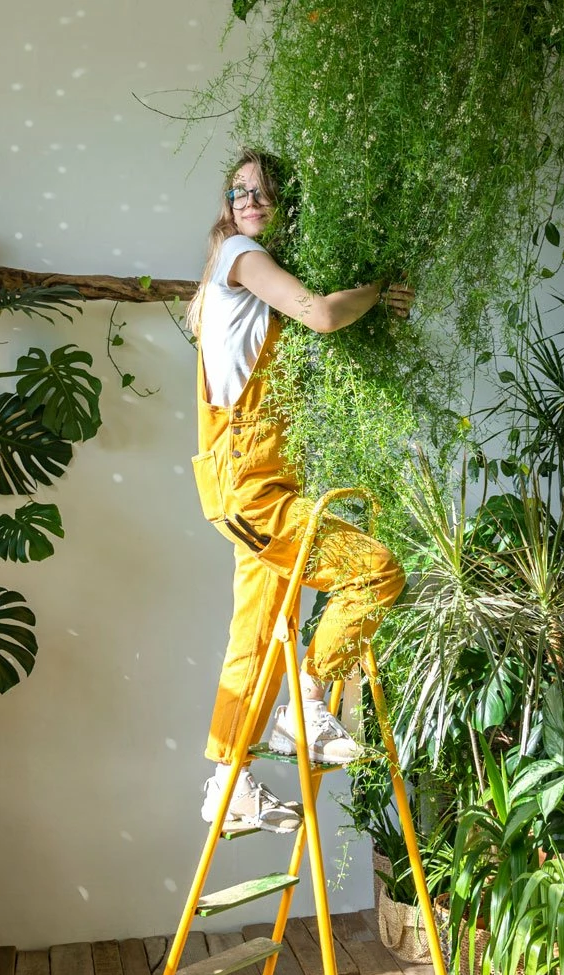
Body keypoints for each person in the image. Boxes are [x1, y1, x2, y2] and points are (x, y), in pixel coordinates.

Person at [188, 148, 413, 833]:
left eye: (263, 191)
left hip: (257, 481)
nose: (249, 200)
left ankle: (228, 787)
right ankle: (306, 701)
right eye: (239, 190)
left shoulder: (244, 277)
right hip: (251, 488)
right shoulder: (238, 256)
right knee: (377, 572)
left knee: (255, 636)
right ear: (228, 207)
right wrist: (376, 289)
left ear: (286, 204)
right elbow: (318, 313)